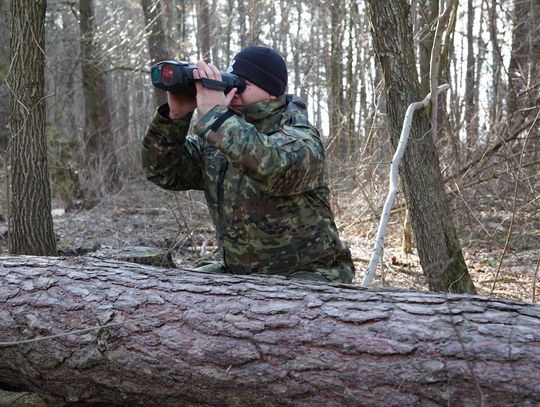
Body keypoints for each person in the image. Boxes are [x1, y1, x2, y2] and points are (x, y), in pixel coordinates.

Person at [142, 45, 355, 283]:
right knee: (175, 288)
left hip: (310, 275)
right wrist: (175, 118)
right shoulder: (220, 136)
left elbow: (273, 165)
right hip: (244, 278)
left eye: (243, 84)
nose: (233, 89)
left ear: (272, 92)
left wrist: (217, 115)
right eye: (230, 81)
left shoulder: (299, 134)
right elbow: (163, 171)